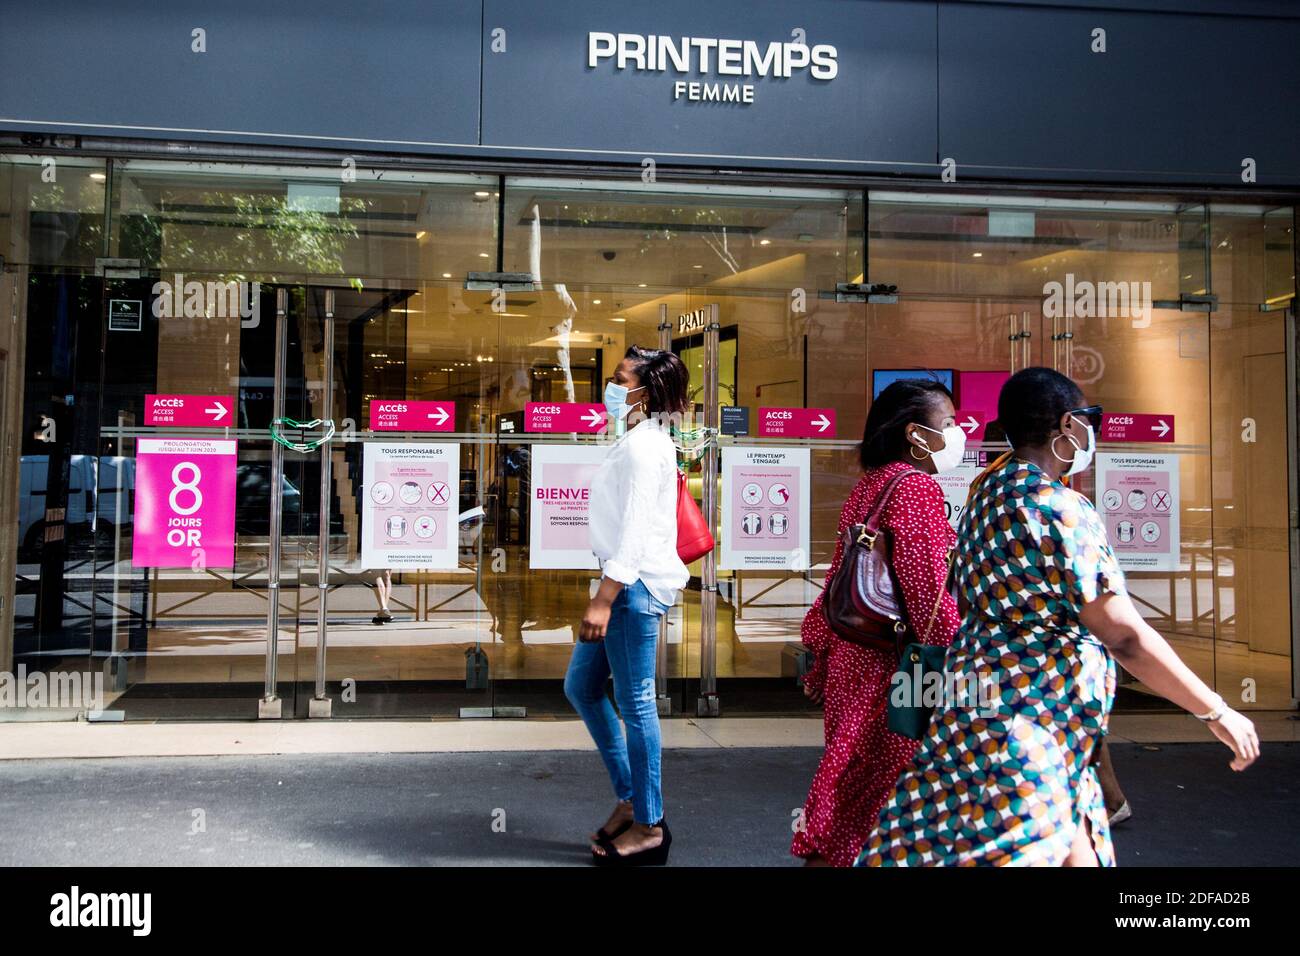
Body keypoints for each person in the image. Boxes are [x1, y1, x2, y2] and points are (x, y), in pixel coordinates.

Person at [858, 367, 1260, 867]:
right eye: (1090, 418)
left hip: (986, 711)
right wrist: (1214, 710)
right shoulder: (1058, 508)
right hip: (1030, 725)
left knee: (1054, 843)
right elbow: (1125, 635)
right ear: (1068, 426)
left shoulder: (988, 491)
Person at [792, 379, 963, 867]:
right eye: (948, 423)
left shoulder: (874, 483)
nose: (957, 433)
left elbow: (840, 575)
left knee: (853, 785)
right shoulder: (915, 488)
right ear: (917, 434)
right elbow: (928, 595)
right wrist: (962, 664)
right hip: (892, 671)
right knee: (876, 797)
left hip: (852, 657)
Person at [565, 344, 691, 866]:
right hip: (623, 583)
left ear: (647, 389)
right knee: (582, 687)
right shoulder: (638, 439)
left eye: (621, 378)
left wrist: (604, 598)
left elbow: (637, 532)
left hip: (631, 590)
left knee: (637, 704)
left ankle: (649, 825)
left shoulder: (646, 447)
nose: (612, 386)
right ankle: (631, 796)